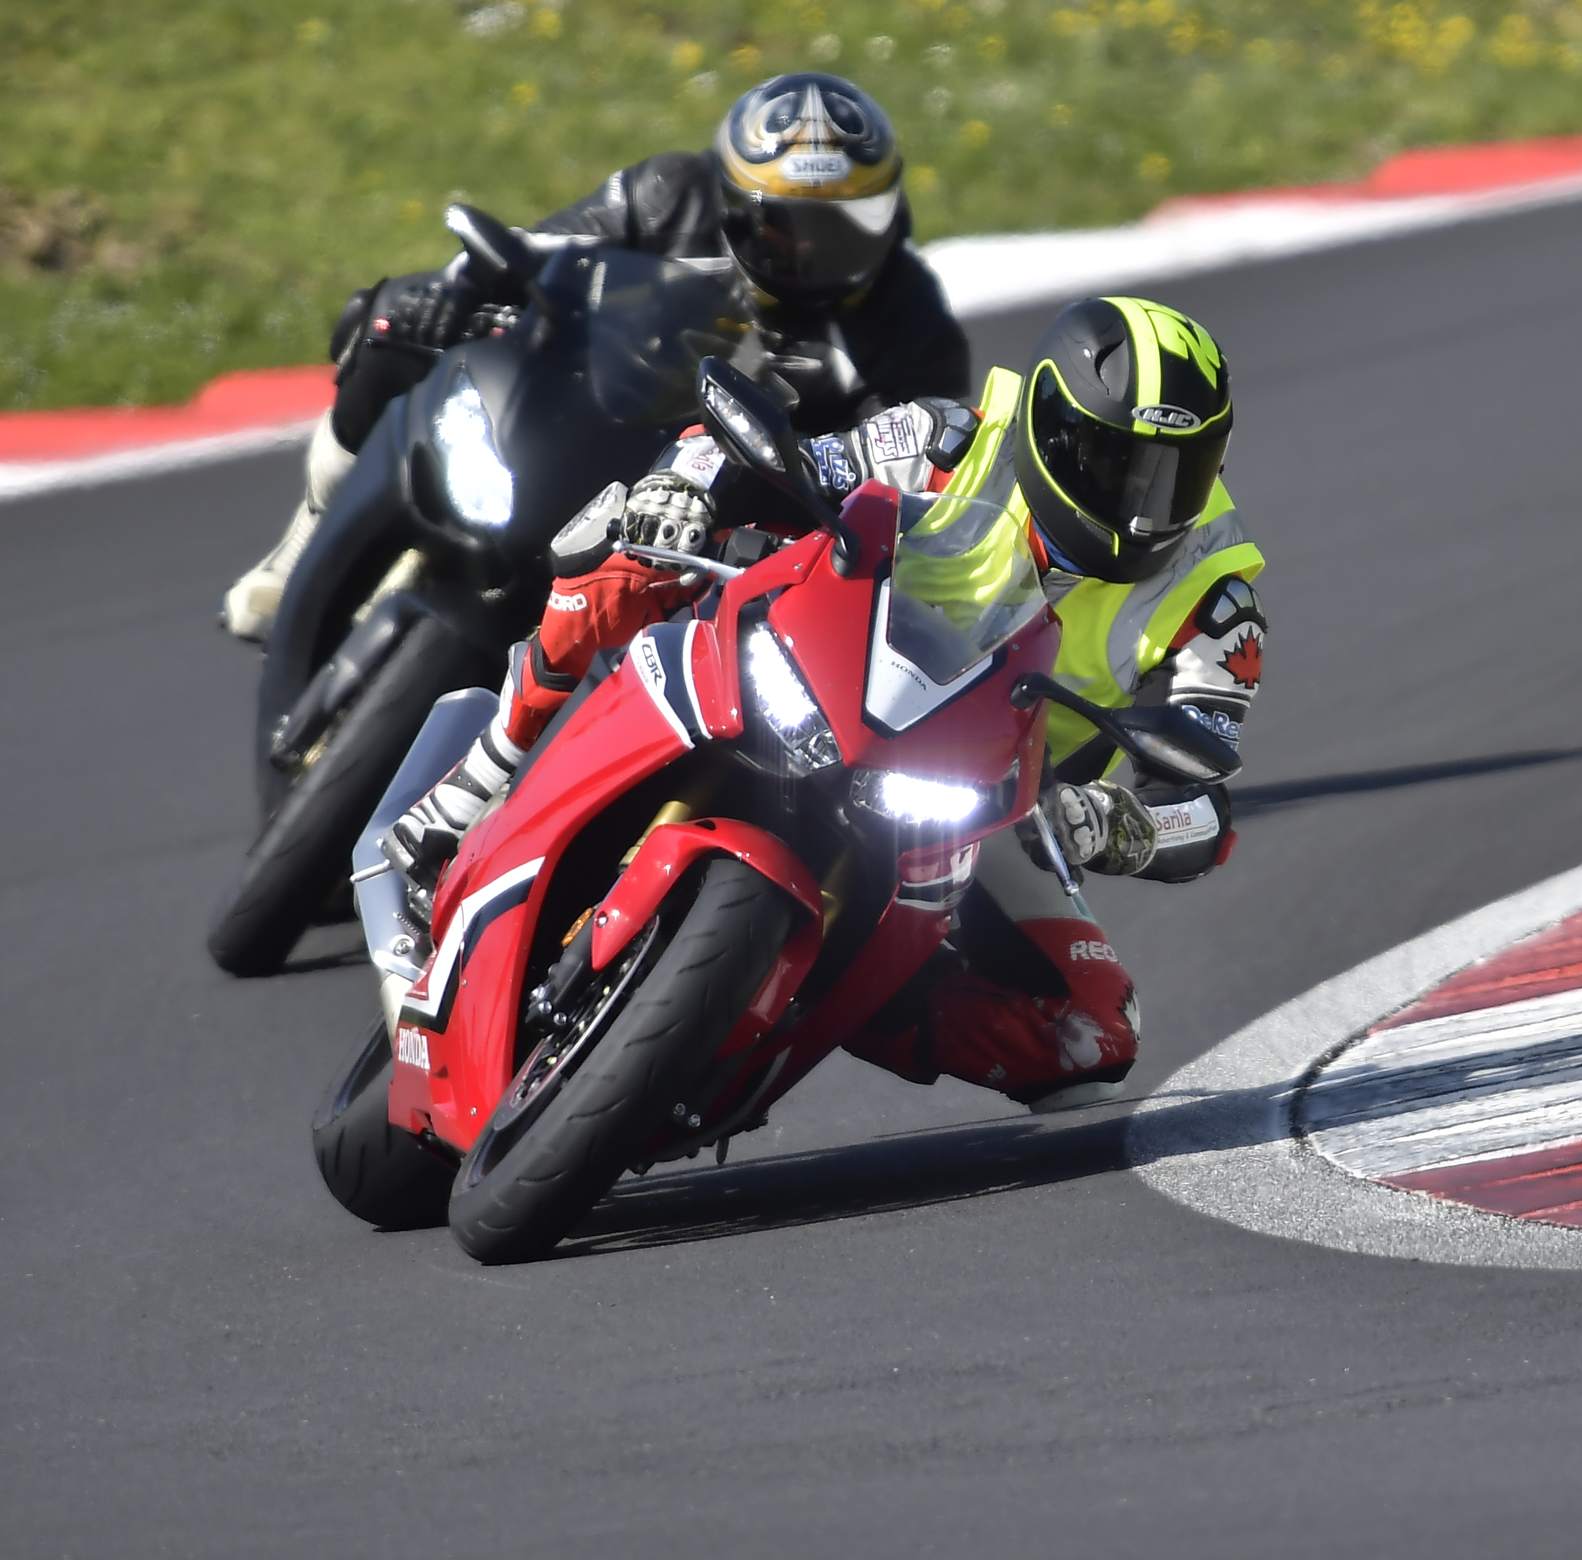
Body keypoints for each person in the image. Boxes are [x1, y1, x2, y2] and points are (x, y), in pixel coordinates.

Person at [386, 296, 1265, 1112]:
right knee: (626, 550)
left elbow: (1202, 796)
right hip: (819, 668)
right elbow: (785, 463)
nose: (1140, 507)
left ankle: (809, 1006)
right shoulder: (951, 437)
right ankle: (483, 772)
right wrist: (682, 487)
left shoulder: (1216, 602)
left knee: (1093, 1031)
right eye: (1113, 463)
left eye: (1173, 476)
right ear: (1047, 425)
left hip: (978, 801)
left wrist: (1118, 824)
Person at [222, 71, 971, 641]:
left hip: (715, 531)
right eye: (786, 225)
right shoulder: (670, 193)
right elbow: (535, 250)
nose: (809, 252)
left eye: (843, 226)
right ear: (736, 202)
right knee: (391, 319)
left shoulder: (912, 323)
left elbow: (909, 481)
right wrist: (460, 291)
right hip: (586, 415)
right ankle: (301, 542)